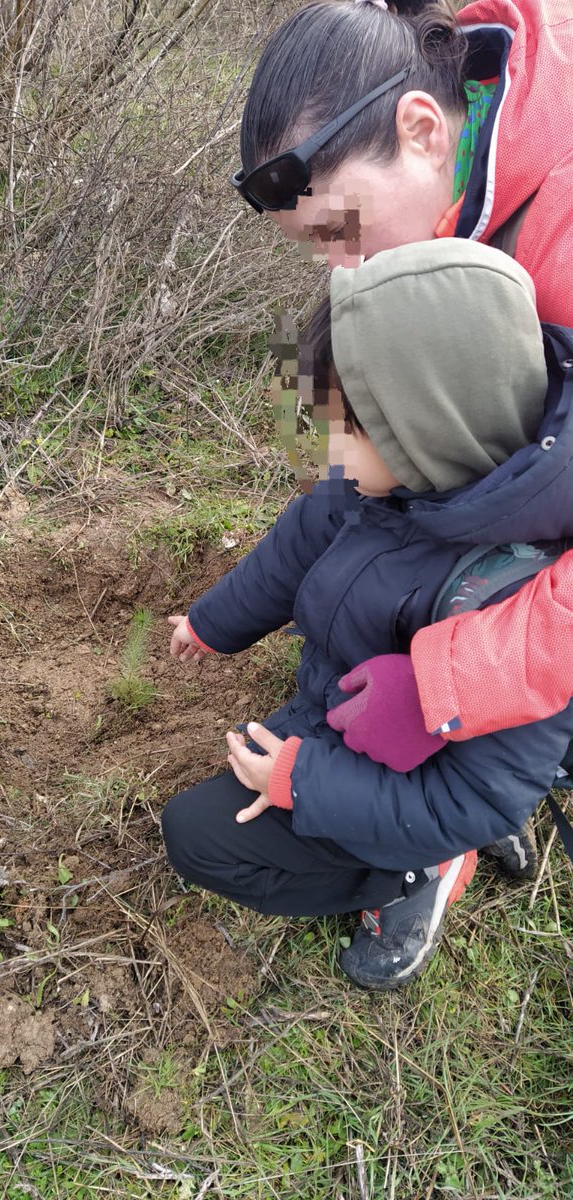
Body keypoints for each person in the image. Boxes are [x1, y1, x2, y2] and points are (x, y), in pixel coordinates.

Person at [162, 238, 573, 989]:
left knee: (198, 840)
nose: (319, 453)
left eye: (338, 431)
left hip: (415, 778)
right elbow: (290, 553)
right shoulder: (375, 486)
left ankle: (413, 877)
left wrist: (302, 781)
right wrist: (211, 624)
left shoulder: (514, 598)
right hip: (343, 713)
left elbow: (475, 795)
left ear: (424, 429)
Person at [230, 0, 573, 868]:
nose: (340, 272)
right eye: (312, 247)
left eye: (339, 233)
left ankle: (482, 804)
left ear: (421, 130)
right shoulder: (444, 140)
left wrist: (439, 686)